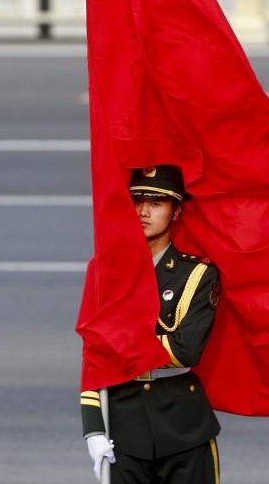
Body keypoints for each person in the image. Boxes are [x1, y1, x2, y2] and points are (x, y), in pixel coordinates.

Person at [81, 165, 222, 483]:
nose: (144, 211)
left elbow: (186, 350)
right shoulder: (106, 271)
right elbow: (92, 354)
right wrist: (92, 428)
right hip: (122, 429)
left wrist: (116, 342)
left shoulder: (198, 274)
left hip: (183, 430)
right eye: (138, 201)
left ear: (176, 212)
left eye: (156, 203)